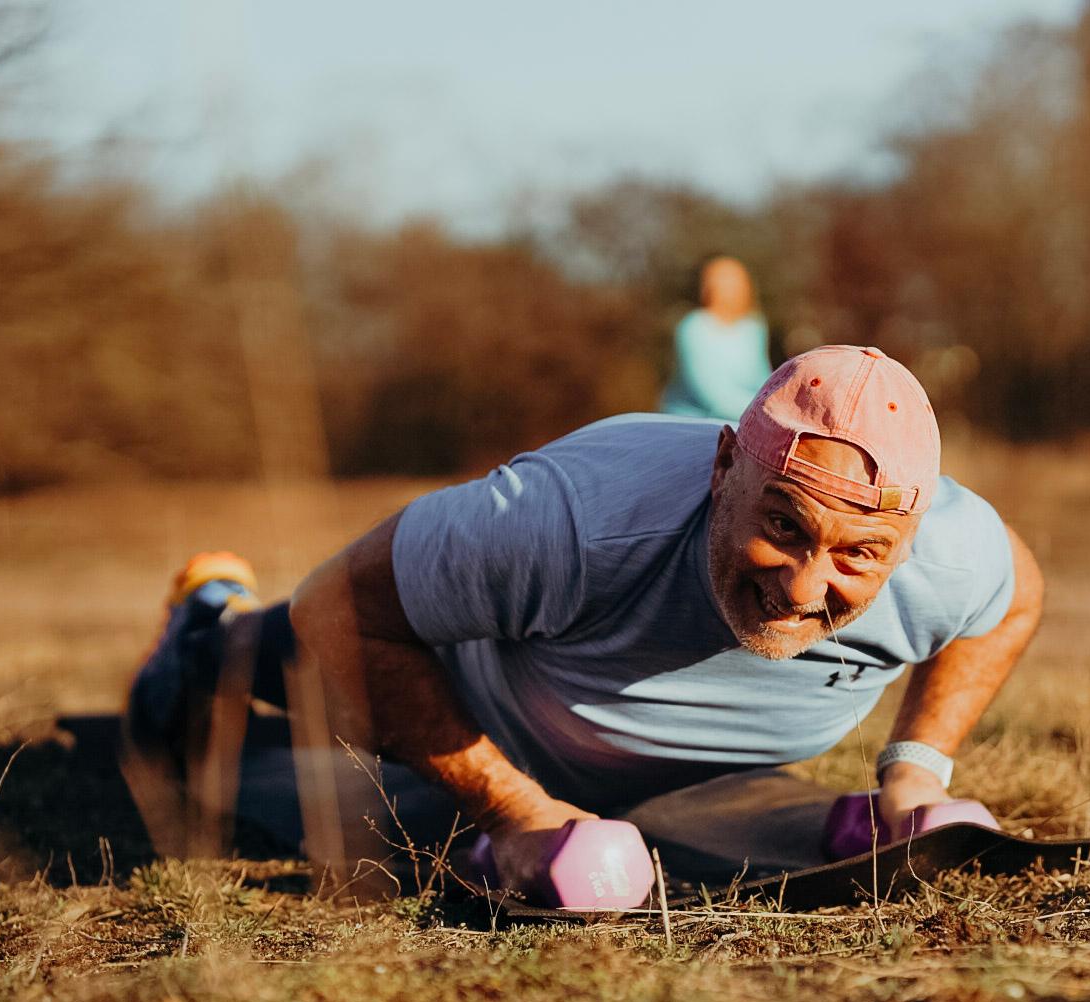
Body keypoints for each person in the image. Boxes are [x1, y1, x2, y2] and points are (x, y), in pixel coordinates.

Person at [128, 346, 1042, 894]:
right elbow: (341, 607)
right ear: (726, 466)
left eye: (857, 556)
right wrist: (515, 808)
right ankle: (208, 619)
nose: (805, 589)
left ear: (910, 538)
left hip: (669, 776)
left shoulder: (954, 550)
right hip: (471, 694)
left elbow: (1015, 601)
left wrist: (917, 767)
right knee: (275, 657)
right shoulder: (575, 517)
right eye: (781, 527)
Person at [658, 255, 773, 421]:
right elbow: (710, 394)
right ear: (707, 288)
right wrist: (767, 410)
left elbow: (763, 381)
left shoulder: (754, 328)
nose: (732, 288)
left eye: (736, 280)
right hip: (692, 421)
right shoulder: (693, 327)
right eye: (723, 280)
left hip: (742, 420)